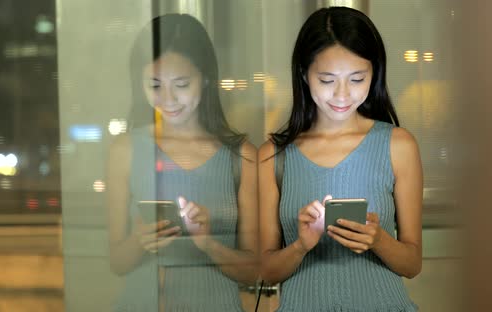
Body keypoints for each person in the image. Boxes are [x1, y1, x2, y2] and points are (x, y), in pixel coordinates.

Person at [258, 7, 422, 311]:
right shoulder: (272, 157)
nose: (342, 95)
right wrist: (301, 245)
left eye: (357, 79)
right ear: (304, 75)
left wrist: (378, 240)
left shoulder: (399, 145)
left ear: (374, 74)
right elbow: (266, 272)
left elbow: (412, 264)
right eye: (327, 80)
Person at [107, 13, 258, 312]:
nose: (168, 99)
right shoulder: (126, 150)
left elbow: (255, 270)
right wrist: (140, 240)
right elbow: (117, 263)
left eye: (181, 84)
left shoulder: (241, 155)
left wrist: (209, 244)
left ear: (205, 78)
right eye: (154, 85)